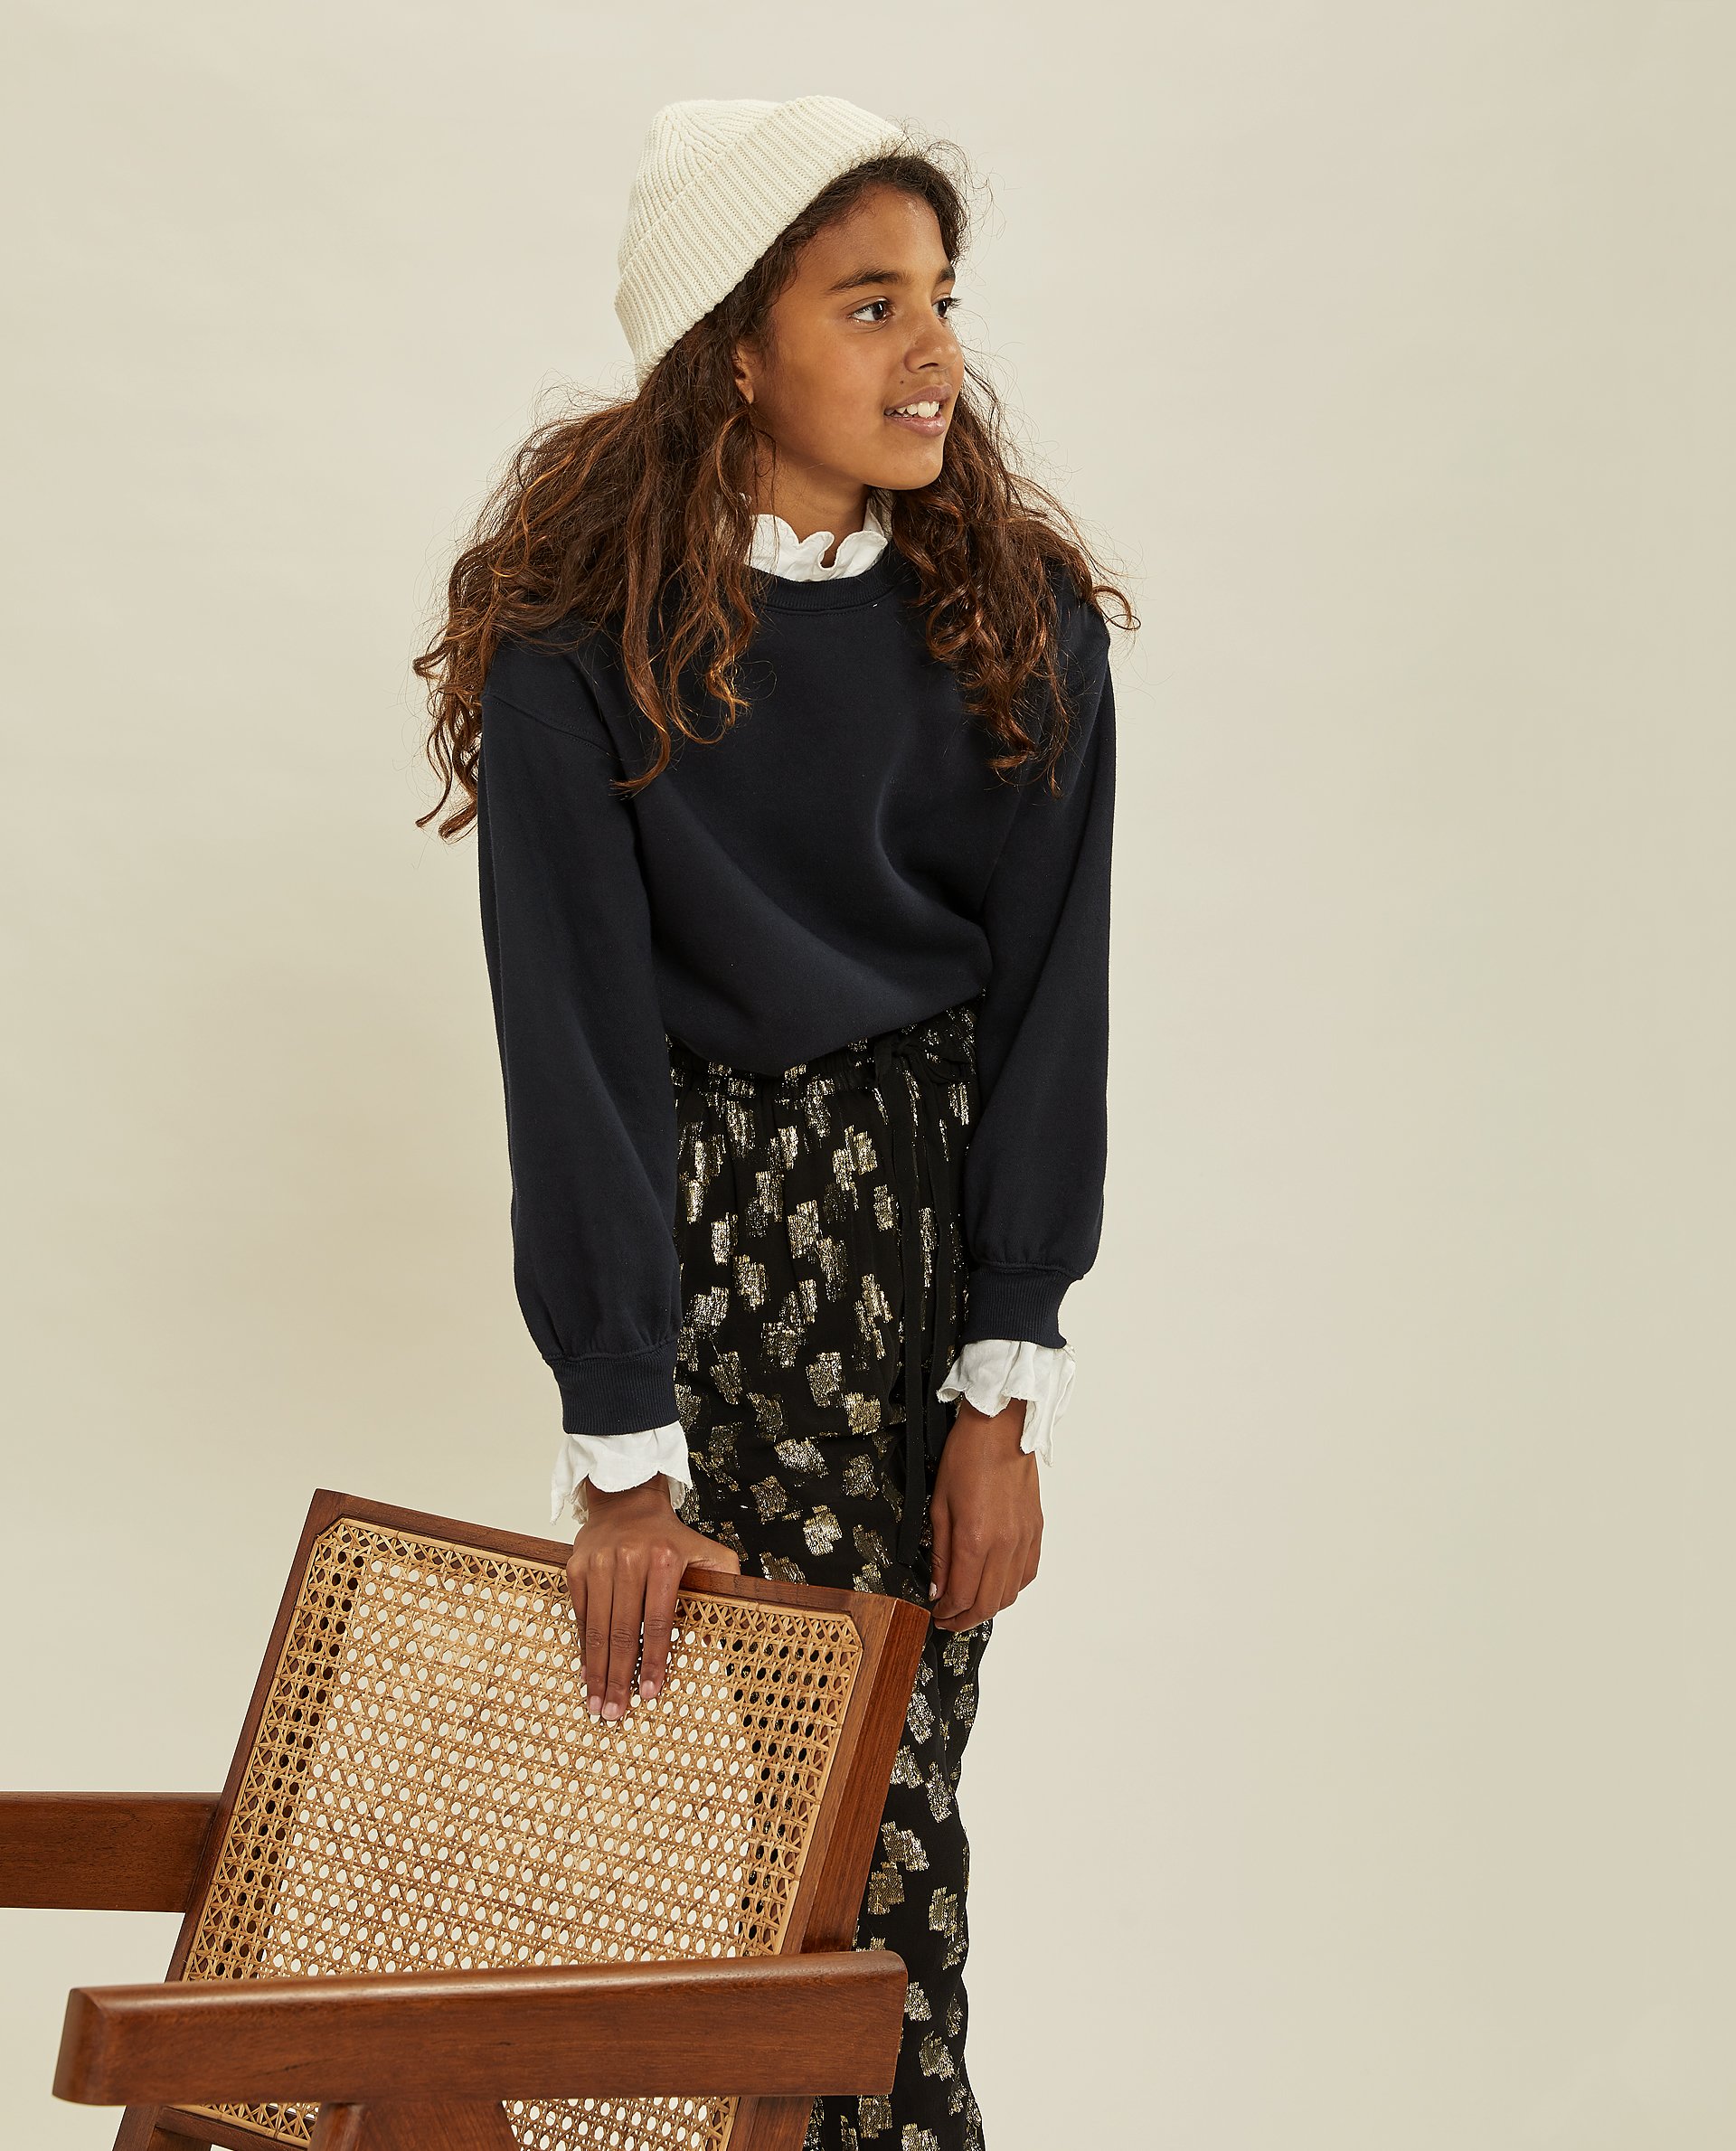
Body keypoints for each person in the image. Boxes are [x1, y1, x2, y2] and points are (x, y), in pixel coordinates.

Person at [414, 92, 1132, 2151]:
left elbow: (1053, 1014)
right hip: (717, 1244)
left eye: (943, 301)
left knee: (867, 1829)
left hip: (925, 1242)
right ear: (736, 347)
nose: (934, 352)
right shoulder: (579, 650)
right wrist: (624, 1454)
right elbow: (573, 1050)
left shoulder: (1020, 619)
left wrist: (1006, 1387)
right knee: (830, 1845)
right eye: (870, 304)